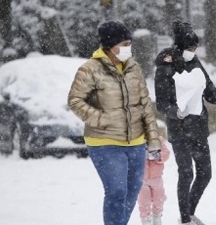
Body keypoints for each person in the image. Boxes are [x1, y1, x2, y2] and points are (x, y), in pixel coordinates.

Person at [68, 20, 161, 225]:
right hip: (104, 142)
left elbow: (145, 104)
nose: (129, 48)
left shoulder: (133, 67)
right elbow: (75, 100)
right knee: (117, 191)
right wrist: (102, 119)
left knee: (132, 191)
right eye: (125, 43)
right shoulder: (90, 69)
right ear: (111, 45)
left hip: (135, 141)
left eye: (130, 43)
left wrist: (153, 138)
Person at [154, 21, 216, 225]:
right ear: (180, 47)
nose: (193, 51)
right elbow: (162, 103)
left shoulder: (196, 63)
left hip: (198, 126)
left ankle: (189, 212)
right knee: (186, 172)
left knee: (205, 173)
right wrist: (175, 112)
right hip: (179, 128)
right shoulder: (165, 67)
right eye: (190, 48)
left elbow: (209, 90)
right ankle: (185, 218)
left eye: (195, 48)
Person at [138, 130, 171, 225]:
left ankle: (157, 217)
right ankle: (145, 219)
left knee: (159, 199)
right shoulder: (137, 141)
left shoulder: (158, 140)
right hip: (142, 177)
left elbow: (166, 153)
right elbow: (132, 155)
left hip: (157, 177)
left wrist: (158, 156)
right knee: (144, 201)